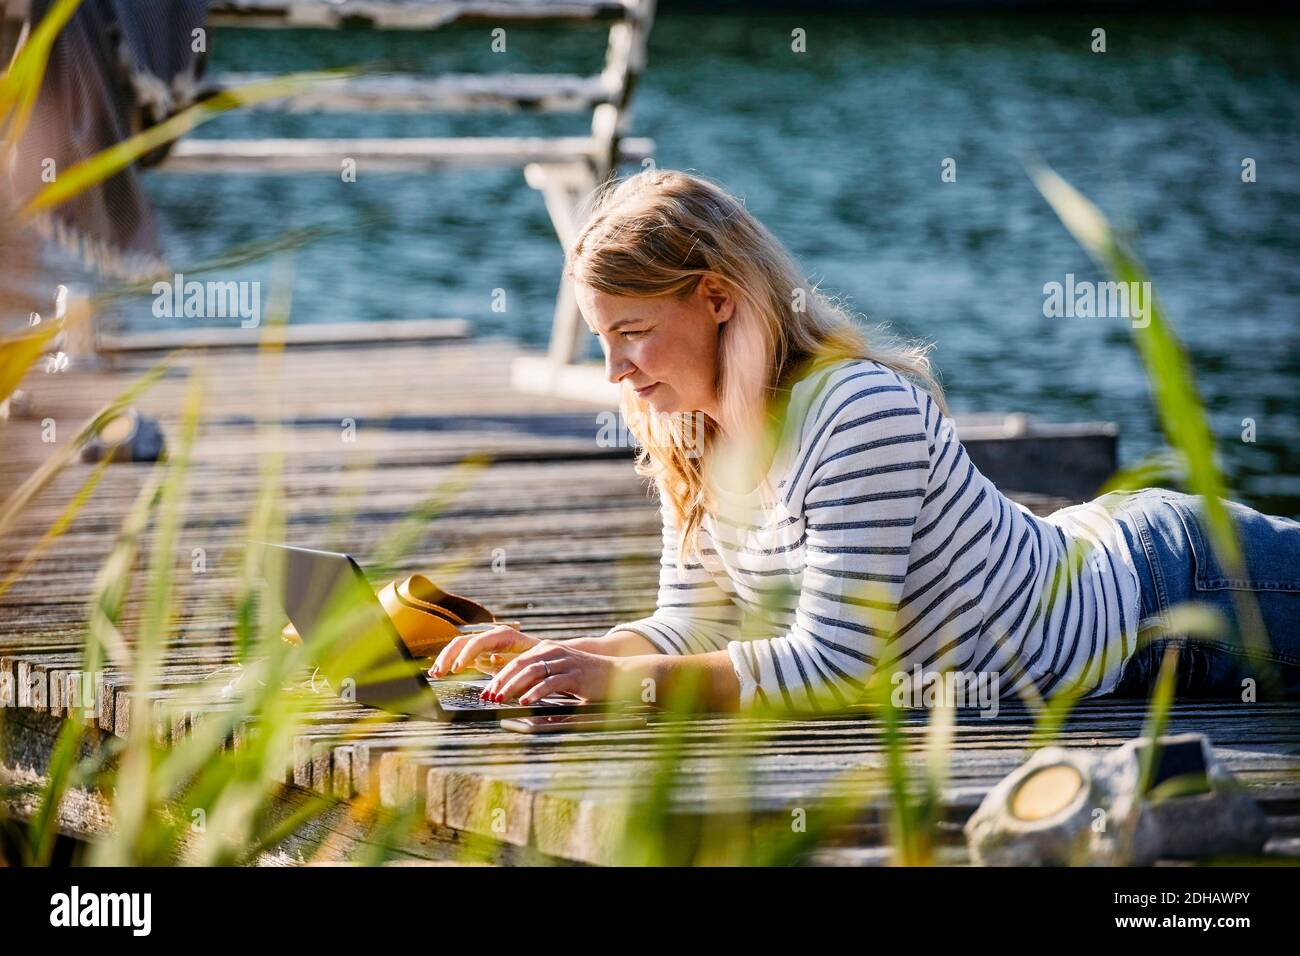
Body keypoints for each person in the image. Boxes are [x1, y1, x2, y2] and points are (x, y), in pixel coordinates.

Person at [430, 169, 1300, 713]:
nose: (616, 371)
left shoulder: (854, 411)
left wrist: (621, 685)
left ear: (718, 298)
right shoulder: (688, 428)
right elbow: (691, 627)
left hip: (1177, 591)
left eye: (633, 333)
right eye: (600, 341)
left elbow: (837, 664)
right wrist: (563, 659)